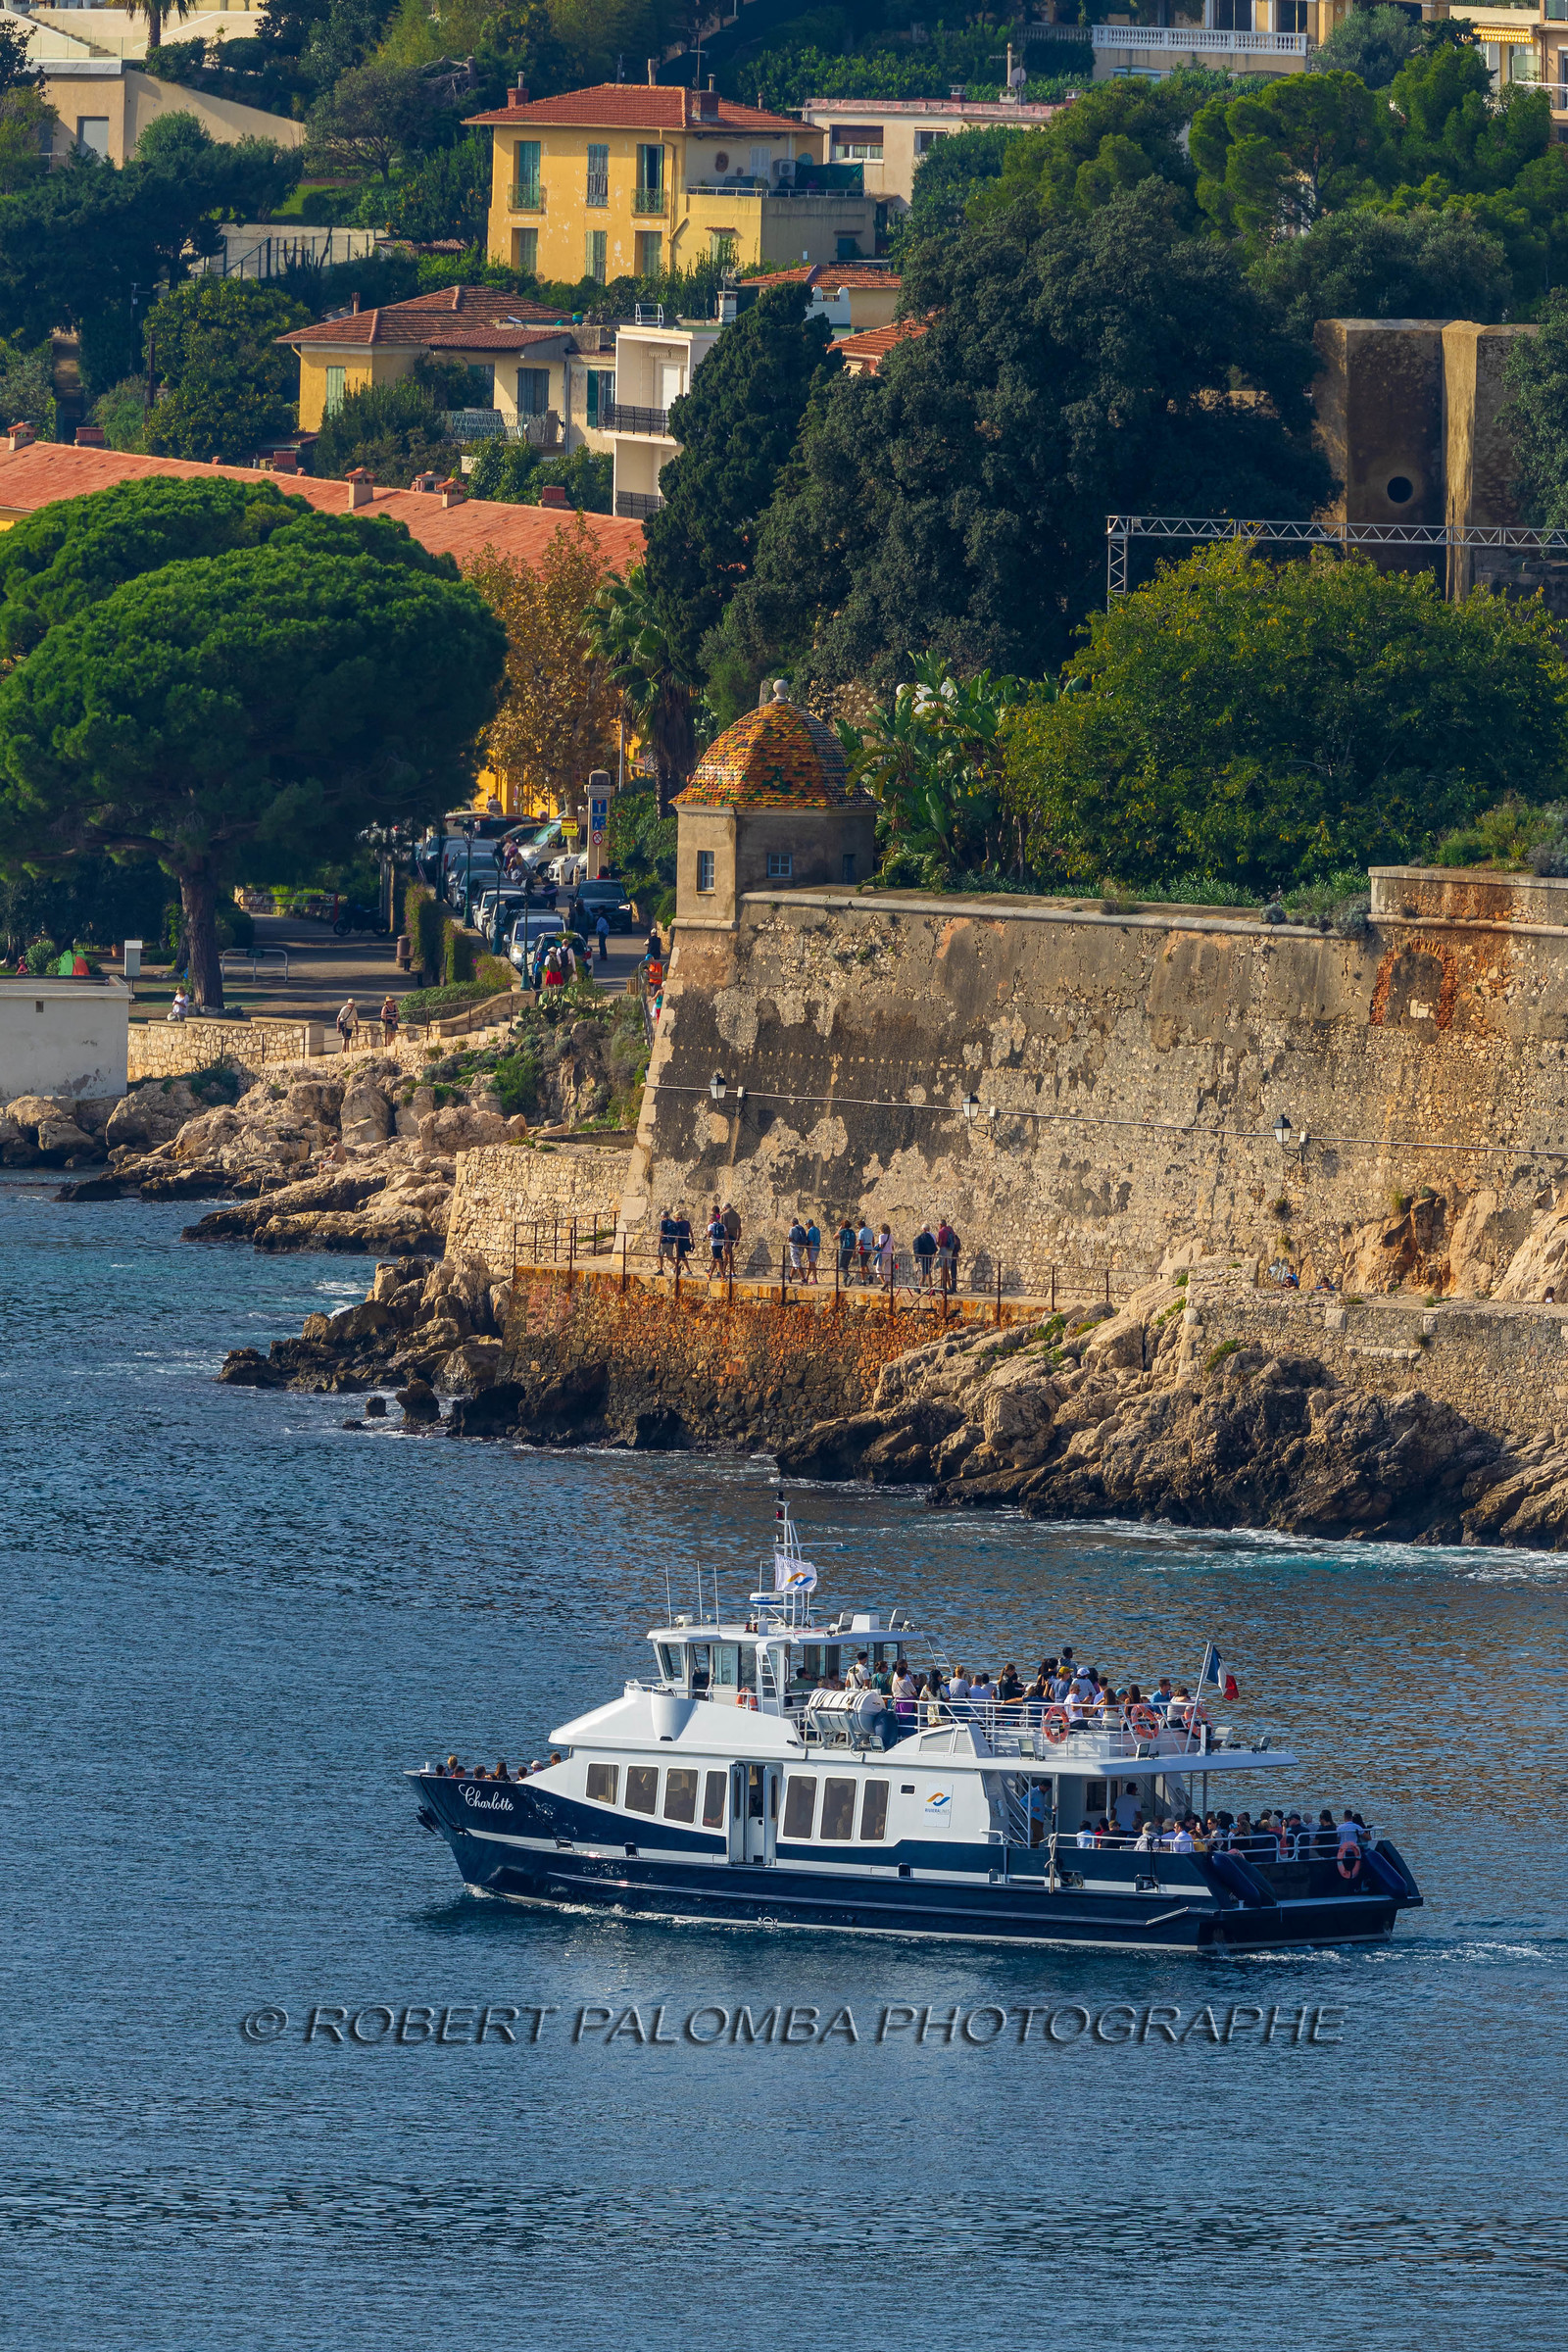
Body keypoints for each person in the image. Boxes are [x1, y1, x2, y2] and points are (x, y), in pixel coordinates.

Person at [936, 1215, 959, 1292]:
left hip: (944, 1249)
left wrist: (936, 1243)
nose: (938, 1226)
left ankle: (944, 1286)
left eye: (938, 1224)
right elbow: (955, 1241)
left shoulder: (941, 1231)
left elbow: (939, 1243)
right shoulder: (950, 1230)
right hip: (950, 1250)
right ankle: (949, 1287)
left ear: (941, 1225)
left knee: (943, 1269)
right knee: (947, 1269)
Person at [912, 1222, 938, 1289]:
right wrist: (933, 1257)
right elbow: (934, 1246)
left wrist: (917, 1257)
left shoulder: (923, 1237)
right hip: (930, 1256)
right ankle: (919, 1287)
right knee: (924, 1272)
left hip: (924, 1257)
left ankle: (930, 1288)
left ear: (923, 1229)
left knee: (927, 1272)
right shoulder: (932, 1236)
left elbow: (918, 1246)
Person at [656, 1205, 677, 1275]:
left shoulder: (663, 1222)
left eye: (661, 1216)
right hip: (670, 1242)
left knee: (660, 1255)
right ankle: (676, 1265)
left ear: (663, 1216)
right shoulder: (672, 1222)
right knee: (669, 1256)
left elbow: (661, 1232)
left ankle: (661, 1269)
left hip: (664, 1241)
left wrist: (659, 1243)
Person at [722, 1200, 742, 1275]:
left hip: (726, 1237)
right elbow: (739, 1228)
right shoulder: (736, 1215)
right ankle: (724, 1270)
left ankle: (732, 1271)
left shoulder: (724, 1215)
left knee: (728, 1254)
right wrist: (738, 1239)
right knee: (727, 1253)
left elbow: (723, 1227)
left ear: (725, 1208)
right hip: (734, 1236)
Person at [707, 1204, 727, 1272]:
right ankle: (710, 1273)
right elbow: (726, 1234)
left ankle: (722, 1274)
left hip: (715, 1243)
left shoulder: (712, 1224)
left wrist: (707, 1234)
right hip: (721, 1242)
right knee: (716, 1258)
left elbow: (709, 1234)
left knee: (718, 1258)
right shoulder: (722, 1224)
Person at [672, 1206, 693, 1271]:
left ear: (678, 1217)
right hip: (686, 1240)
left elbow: (675, 1233)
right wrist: (693, 1241)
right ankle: (674, 1268)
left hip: (679, 1241)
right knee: (679, 1255)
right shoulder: (687, 1223)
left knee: (682, 1256)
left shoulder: (677, 1224)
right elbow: (691, 1232)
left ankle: (689, 1270)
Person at [856, 1219, 875, 1283]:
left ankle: (863, 1281)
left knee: (861, 1265)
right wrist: (872, 1247)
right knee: (865, 1263)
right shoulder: (870, 1231)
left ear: (860, 1225)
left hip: (863, 1248)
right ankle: (869, 1275)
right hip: (869, 1248)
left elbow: (860, 1242)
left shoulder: (861, 1232)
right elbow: (873, 1239)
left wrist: (855, 1245)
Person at [805, 1217, 821, 1284]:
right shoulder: (817, 1229)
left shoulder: (811, 1231)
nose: (806, 1226)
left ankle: (811, 1278)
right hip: (817, 1247)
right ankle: (807, 1277)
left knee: (812, 1264)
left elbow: (811, 1241)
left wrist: (809, 1250)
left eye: (806, 1224)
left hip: (812, 1248)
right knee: (811, 1264)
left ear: (809, 1224)